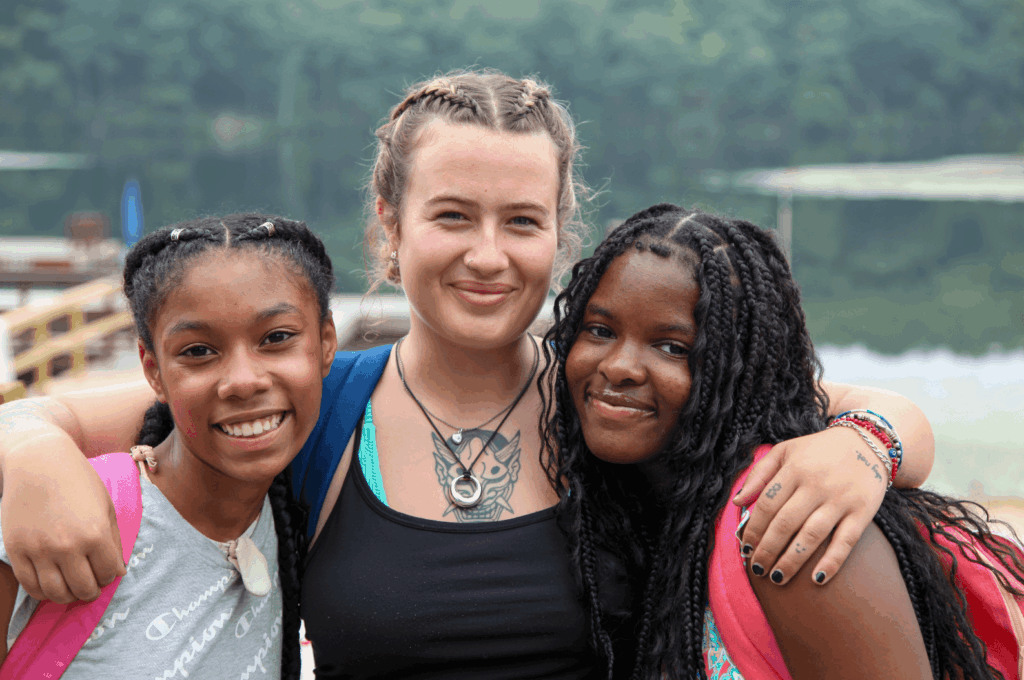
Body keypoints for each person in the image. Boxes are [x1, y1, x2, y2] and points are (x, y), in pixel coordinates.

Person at [0, 70, 935, 677]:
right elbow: (56, 415)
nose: (487, 256)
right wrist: (28, 451)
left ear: (559, 231)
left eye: (521, 221)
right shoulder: (317, 402)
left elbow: (856, 411)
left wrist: (866, 445)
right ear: (389, 225)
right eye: (452, 216)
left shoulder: (610, 400)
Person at [543, 202, 1024, 679]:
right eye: (600, 330)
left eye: (673, 347)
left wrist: (866, 446)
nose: (619, 367)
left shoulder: (792, 519)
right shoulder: (624, 492)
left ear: (738, 372)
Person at [0, 214, 335, 678]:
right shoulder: (59, 514)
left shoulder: (303, 500)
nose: (243, 381)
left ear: (326, 342)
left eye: (276, 338)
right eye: (198, 351)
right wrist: (29, 442)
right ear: (153, 370)